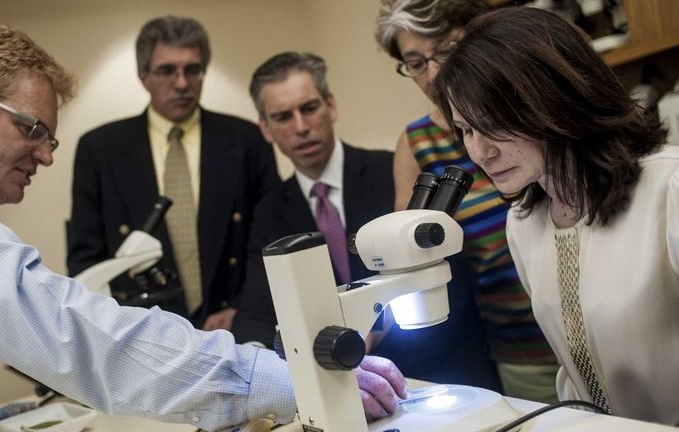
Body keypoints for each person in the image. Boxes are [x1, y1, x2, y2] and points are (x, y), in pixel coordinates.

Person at [0, 23, 408, 431]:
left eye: (50, 139)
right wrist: (291, 380)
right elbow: (75, 333)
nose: (43, 153)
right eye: (32, 129)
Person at [436, 6, 679, 425]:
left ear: (556, 99)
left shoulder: (668, 187)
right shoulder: (525, 222)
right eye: (466, 130)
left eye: (493, 124)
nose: (479, 152)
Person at [231, 51, 501, 391]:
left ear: (331, 106)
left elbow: (451, 276)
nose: (301, 127)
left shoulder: (394, 172)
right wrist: (254, 371)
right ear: (266, 129)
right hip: (347, 386)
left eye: (309, 108)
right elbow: (257, 307)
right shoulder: (270, 211)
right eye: (283, 117)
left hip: (443, 369)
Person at [375, 0, 558, 403]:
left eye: (445, 49)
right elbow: (407, 256)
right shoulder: (416, 145)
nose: (434, 73)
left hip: (608, 318)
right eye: (416, 63)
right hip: (518, 347)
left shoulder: (534, 105)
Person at [66, 16, 281, 330]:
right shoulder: (99, 150)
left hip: (236, 328)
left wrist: (245, 309)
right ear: (143, 76)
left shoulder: (247, 140)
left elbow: (272, 240)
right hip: (142, 334)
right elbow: (86, 260)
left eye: (192, 70)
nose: (182, 83)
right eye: (167, 70)